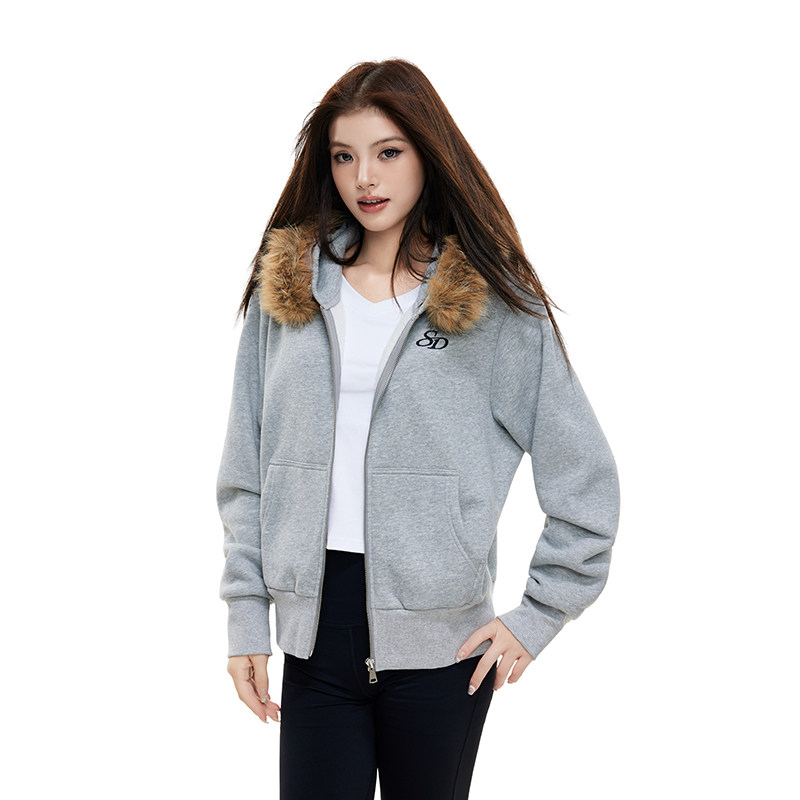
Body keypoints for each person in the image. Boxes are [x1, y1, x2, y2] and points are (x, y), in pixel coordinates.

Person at [216, 58, 620, 800]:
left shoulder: (496, 306)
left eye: (388, 152)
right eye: (343, 156)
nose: (364, 178)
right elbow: (246, 470)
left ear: (429, 155)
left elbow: (585, 480)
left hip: (445, 652)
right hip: (314, 638)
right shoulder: (290, 293)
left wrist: (538, 615)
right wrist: (247, 617)